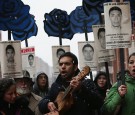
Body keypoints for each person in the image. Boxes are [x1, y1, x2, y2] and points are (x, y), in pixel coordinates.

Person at [38, 52, 102, 115]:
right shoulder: (56, 85)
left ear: (75, 67)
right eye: (60, 64)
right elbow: (41, 105)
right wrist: (47, 103)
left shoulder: (86, 83)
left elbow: (99, 103)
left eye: (67, 64)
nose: (63, 67)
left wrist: (81, 89)